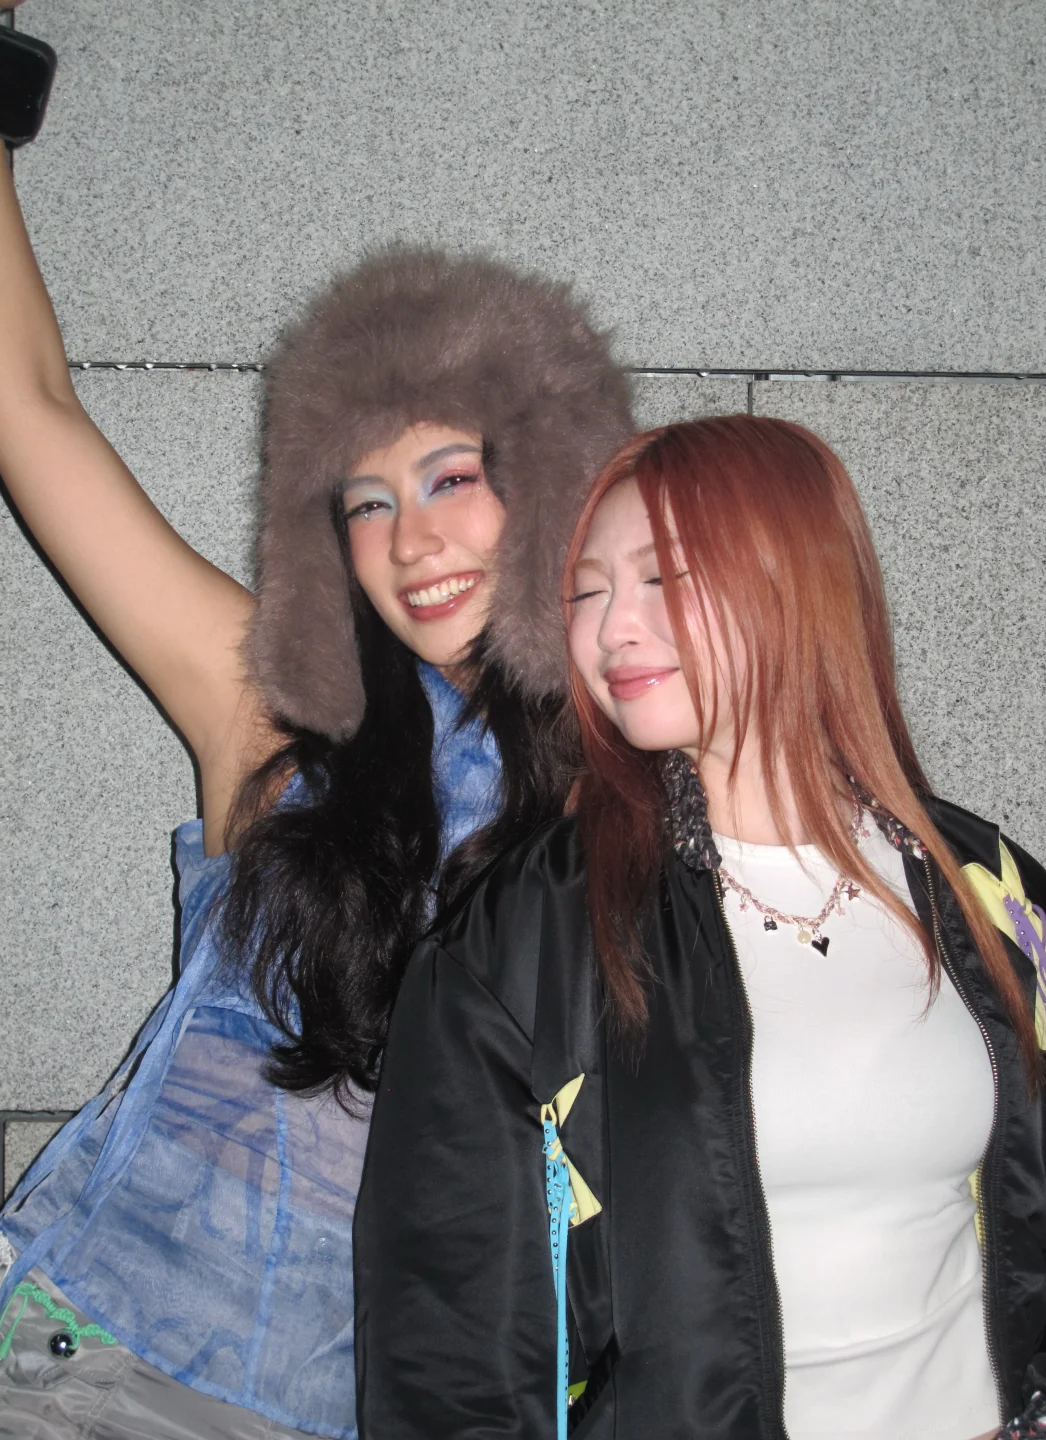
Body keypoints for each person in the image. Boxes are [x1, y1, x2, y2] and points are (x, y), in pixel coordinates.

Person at [0, 130, 633, 1438]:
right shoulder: (279, 728)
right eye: (367, 501)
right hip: (96, 1366)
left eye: (452, 478)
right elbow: (30, 410)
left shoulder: (633, 799)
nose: (414, 539)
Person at [354, 415, 1046, 1440]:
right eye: (589, 591)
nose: (613, 628)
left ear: (799, 582)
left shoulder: (991, 890)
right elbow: (447, 1353)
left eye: (664, 579)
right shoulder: (524, 937)